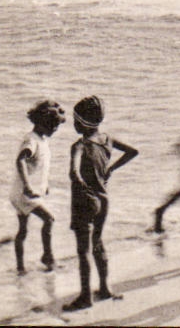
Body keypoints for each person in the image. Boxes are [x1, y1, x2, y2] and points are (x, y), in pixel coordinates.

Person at [64, 96, 138, 312]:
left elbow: (74, 171)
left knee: (83, 250)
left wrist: (77, 178)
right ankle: (105, 288)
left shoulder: (79, 145)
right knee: (98, 243)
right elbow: (133, 152)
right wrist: (111, 169)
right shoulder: (107, 139)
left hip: (84, 201)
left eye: (75, 120)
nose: (73, 123)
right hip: (104, 200)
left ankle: (86, 296)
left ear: (81, 122)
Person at [11, 100, 66, 274]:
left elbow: (40, 166)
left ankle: (20, 267)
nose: (54, 130)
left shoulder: (41, 139)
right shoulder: (31, 140)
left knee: (23, 229)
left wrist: (45, 185)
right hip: (24, 193)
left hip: (20, 193)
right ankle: (47, 257)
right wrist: (28, 186)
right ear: (41, 122)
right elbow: (20, 160)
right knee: (49, 219)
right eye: (53, 126)